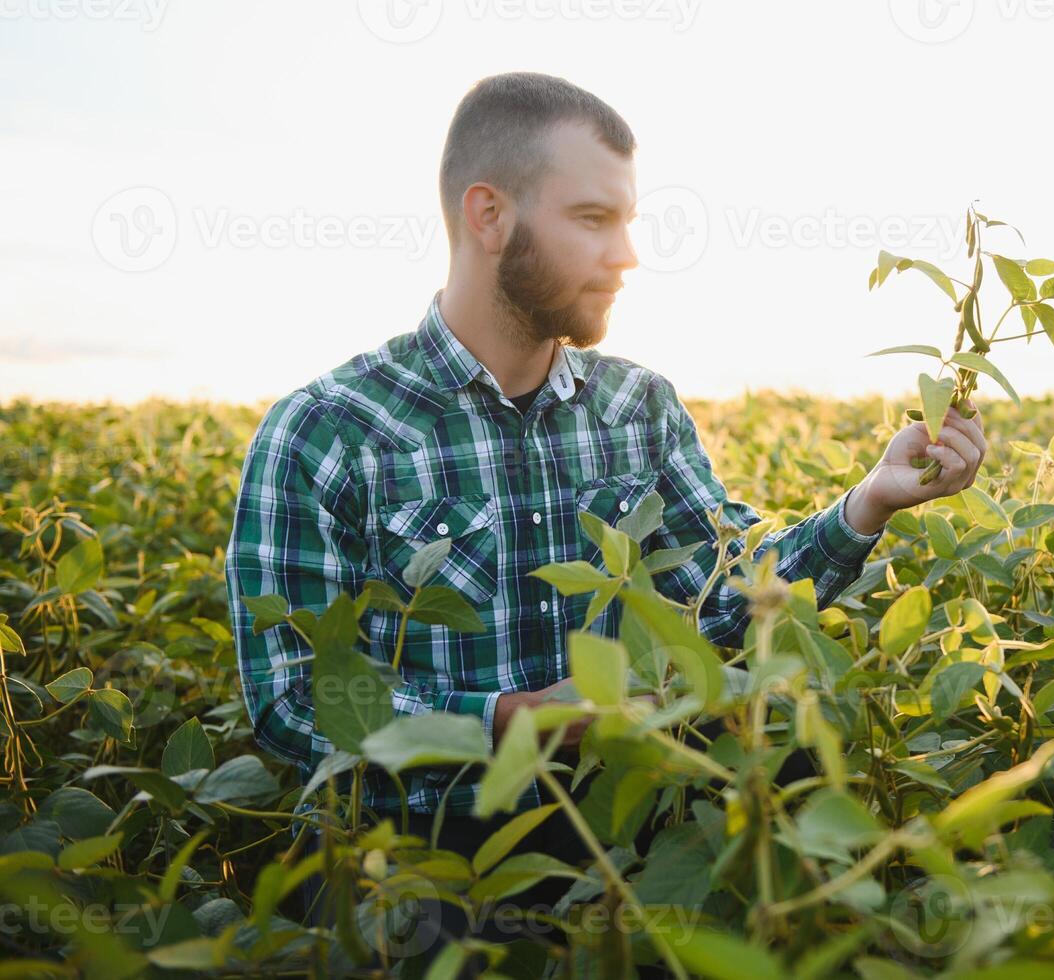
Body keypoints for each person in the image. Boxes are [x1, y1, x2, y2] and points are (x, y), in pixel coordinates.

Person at [223, 71, 988, 969]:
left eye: (628, 221)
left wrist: (869, 504)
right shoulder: (327, 430)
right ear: (488, 215)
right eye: (593, 219)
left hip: (623, 825)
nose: (626, 255)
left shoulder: (638, 407)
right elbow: (291, 696)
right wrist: (506, 720)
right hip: (419, 858)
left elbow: (729, 594)